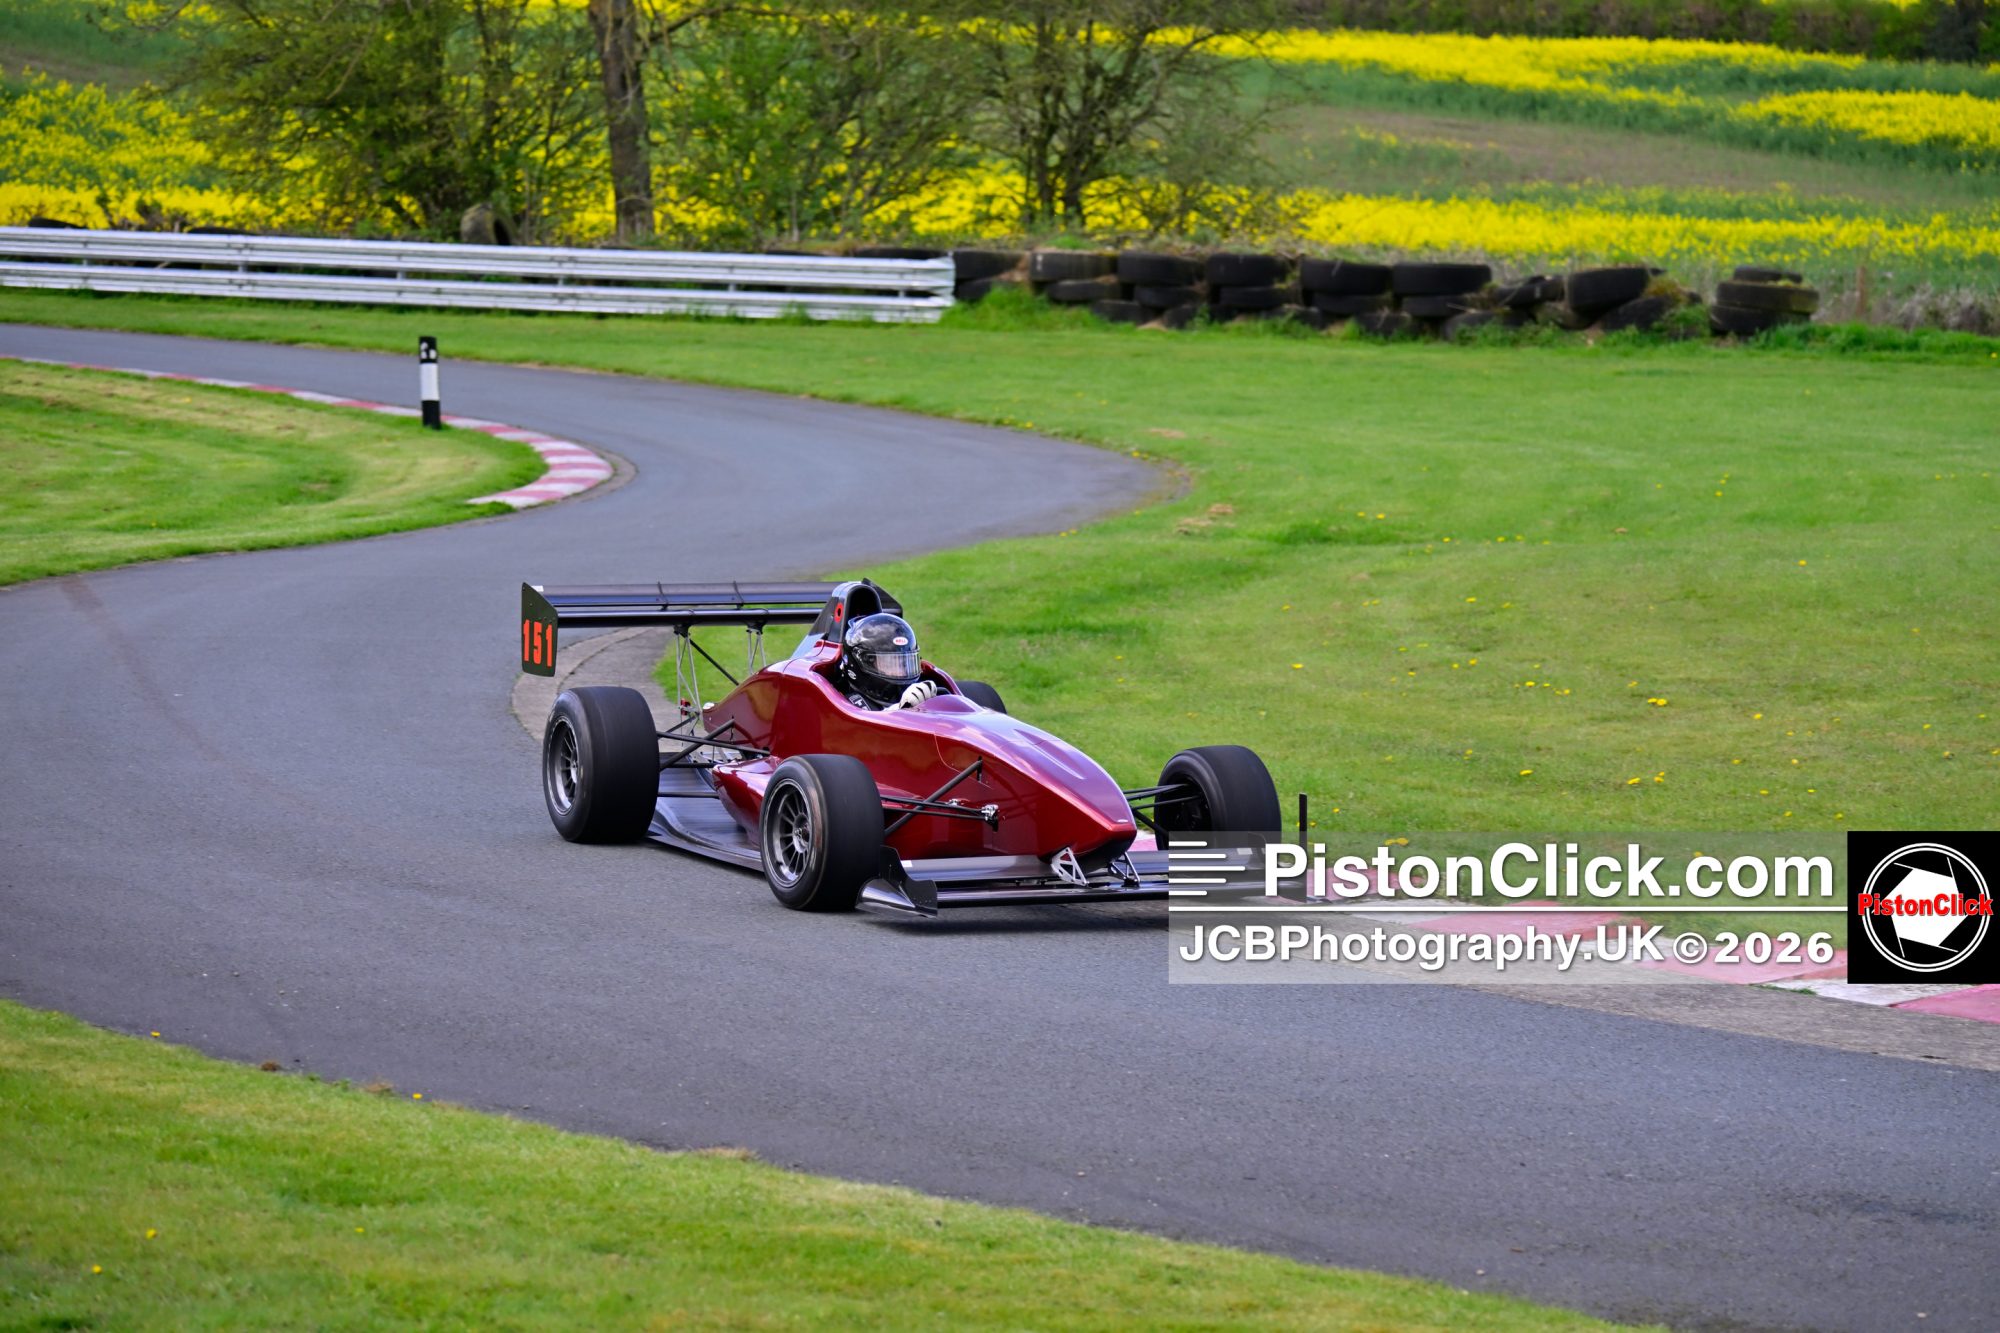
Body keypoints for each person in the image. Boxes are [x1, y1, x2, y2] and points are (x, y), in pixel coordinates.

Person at [835, 612, 935, 710]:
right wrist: (900, 709)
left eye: (904, 664)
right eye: (890, 664)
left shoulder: (919, 689)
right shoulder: (846, 706)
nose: (901, 672)